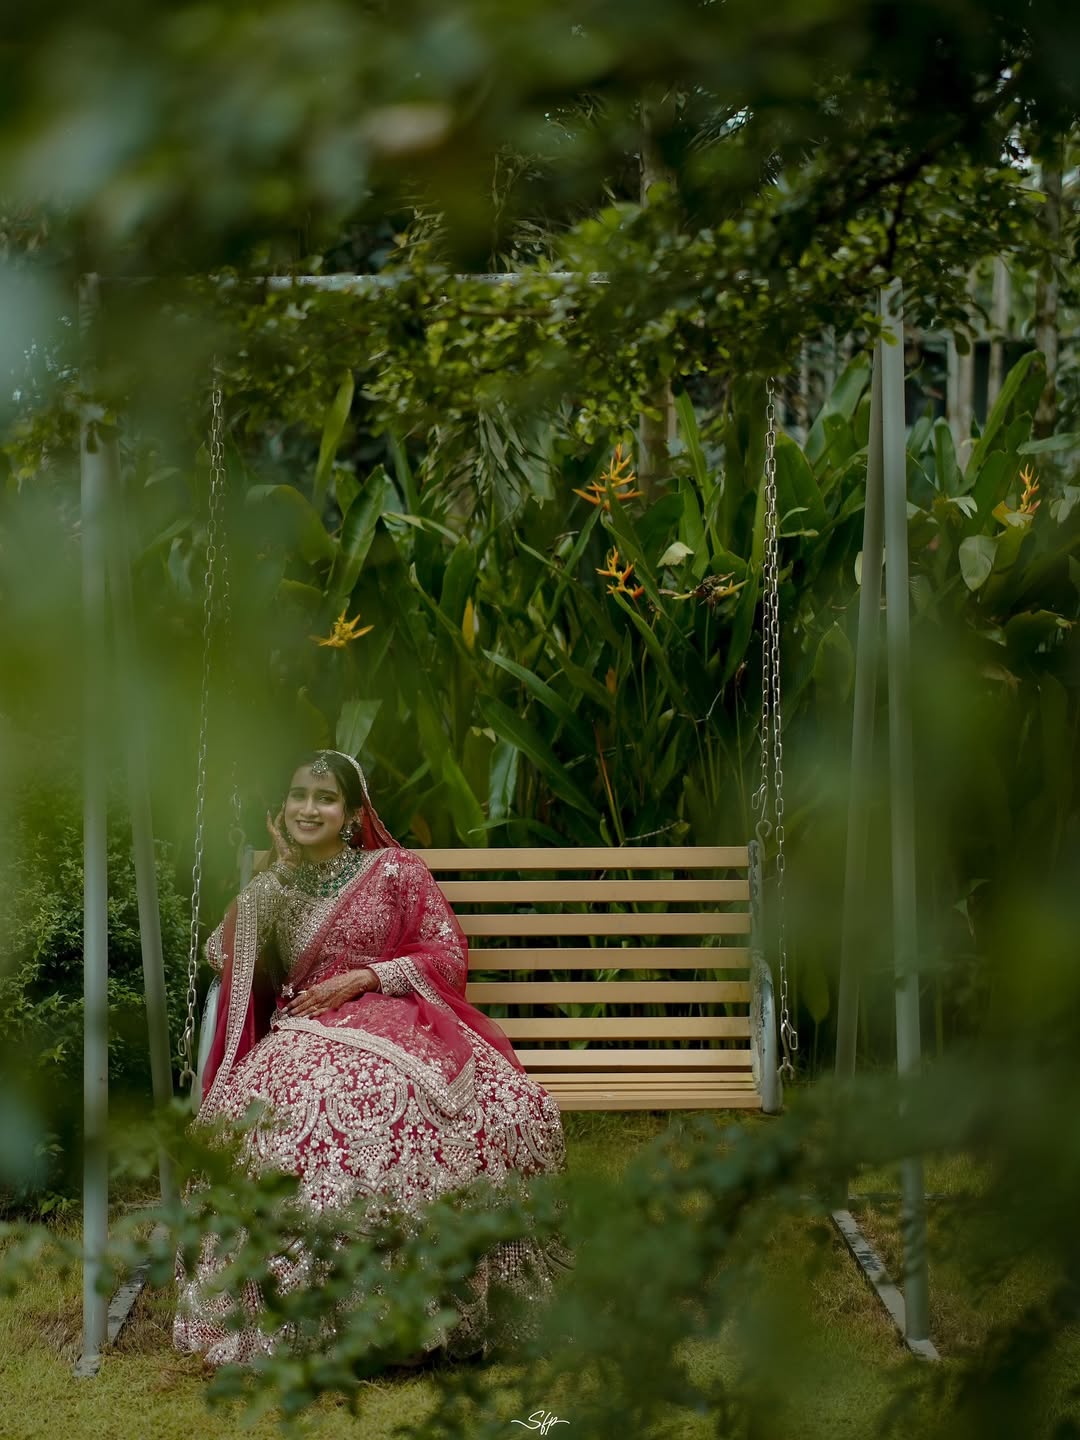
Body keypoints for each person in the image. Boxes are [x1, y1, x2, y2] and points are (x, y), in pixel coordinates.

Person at [173, 748, 570, 1367]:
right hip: (304, 1032)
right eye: (299, 795)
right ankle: (315, 1317)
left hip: (398, 1017)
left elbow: (446, 956)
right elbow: (223, 958)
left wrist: (367, 977)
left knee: (471, 1107)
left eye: (325, 798)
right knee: (301, 1118)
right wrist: (269, 885)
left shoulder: (395, 871)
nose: (309, 808)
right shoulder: (274, 886)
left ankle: (422, 1305)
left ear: (353, 812)